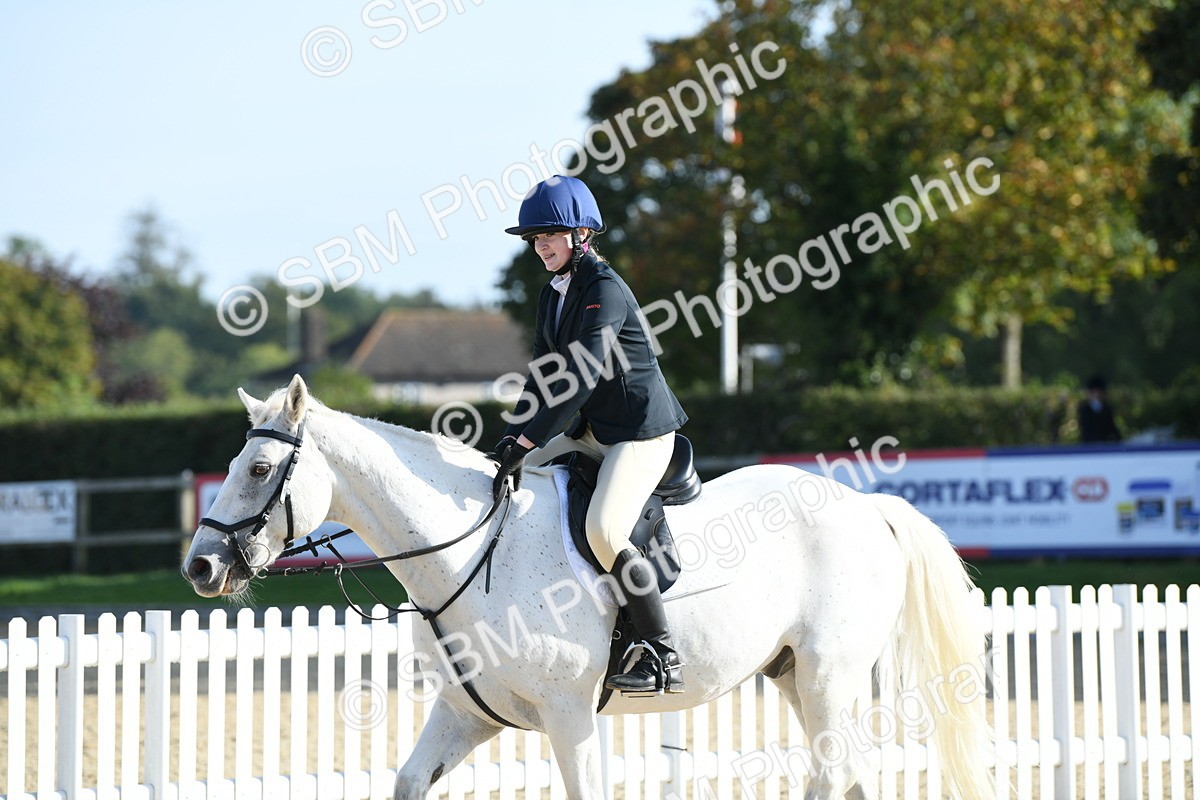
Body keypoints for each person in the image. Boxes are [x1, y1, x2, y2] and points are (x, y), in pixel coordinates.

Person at [489, 175, 689, 694]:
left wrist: (531, 439)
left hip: (639, 435)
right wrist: (512, 440)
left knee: (603, 530)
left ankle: (661, 653)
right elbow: (542, 374)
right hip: (592, 431)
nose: (540, 246)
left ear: (581, 234)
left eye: (549, 235)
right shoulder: (552, 293)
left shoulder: (604, 289)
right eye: (534, 239)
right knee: (501, 479)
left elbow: (577, 376)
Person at [1077, 375, 1122, 443]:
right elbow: (1085, 429)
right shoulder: (1084, 409)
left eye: (1099, 392)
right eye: (1094, 392)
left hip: (1105, 444)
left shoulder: (1107, 409)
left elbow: (1111, 427)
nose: (1097, 395)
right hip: (1088, 445)